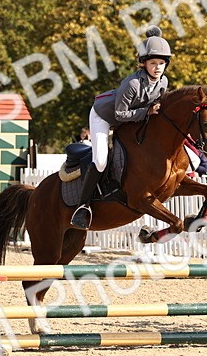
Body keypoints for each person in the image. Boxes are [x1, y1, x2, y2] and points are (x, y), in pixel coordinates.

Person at [70, 26, 172, 228]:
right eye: (153, 63)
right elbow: (119, 114)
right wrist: (146, 113)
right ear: (143, 64)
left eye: (161, 63)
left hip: (130, 117)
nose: (158, 67)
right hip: (105, 116)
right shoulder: (132, 84)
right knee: (100, 160)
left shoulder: (163, 82)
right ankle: (83, 207)